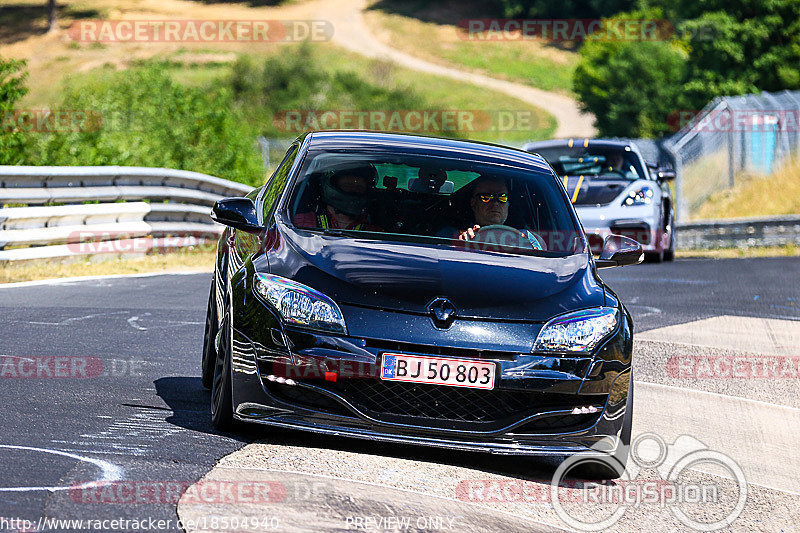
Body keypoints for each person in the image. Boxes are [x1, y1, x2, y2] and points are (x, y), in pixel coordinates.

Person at [454, 176, 545, 250]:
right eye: (486, 197)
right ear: (473, 203)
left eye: (502, 197)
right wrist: (460, 245)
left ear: (508, 204)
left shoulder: (528, 238)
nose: (495, 203)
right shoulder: (457, 236)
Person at [293, 165, 383, 231]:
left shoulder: (376, 233)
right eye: (348, 185)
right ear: (332, 186)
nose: (354, 190)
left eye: (359, 187)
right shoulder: (297, 224)